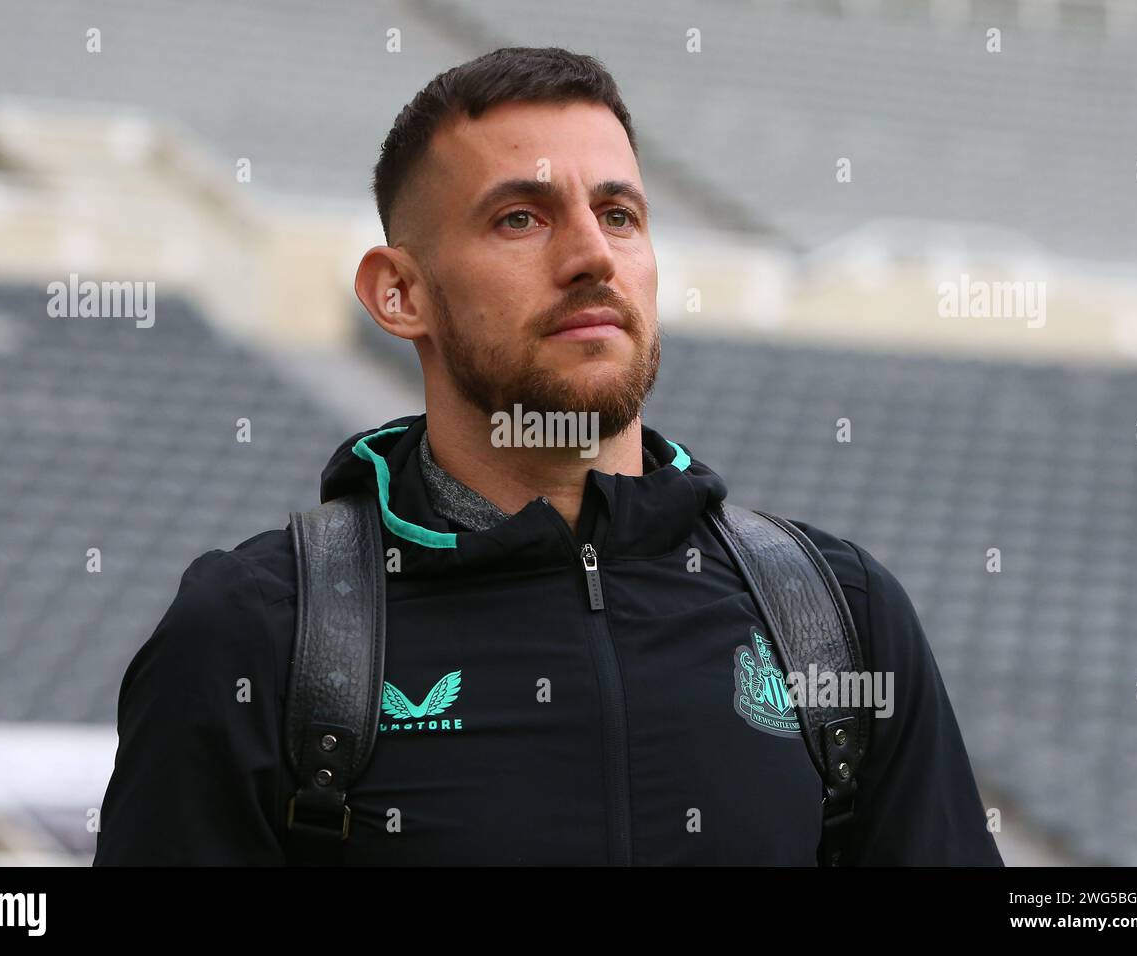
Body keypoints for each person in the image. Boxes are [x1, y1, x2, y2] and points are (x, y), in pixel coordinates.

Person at [93, 46, 1002, 866]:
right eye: (522, 218)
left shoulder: (837, 617)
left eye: (620, 214)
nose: (590, 257)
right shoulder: (260, 634)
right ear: (400, 292)